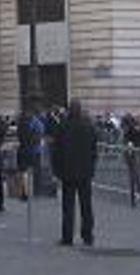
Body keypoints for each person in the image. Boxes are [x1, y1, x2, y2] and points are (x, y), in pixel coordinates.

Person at [51, 99, 98, 247]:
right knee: (86, 206)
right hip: (85, 174)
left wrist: (57, 171)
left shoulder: (62, 127)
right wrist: (91, 168)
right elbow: (93, 151)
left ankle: (67, 237)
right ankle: (88, 236)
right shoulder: (89, 127)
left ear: (69, 110)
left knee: (68, 207)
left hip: (68, 174)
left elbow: (56, 152)